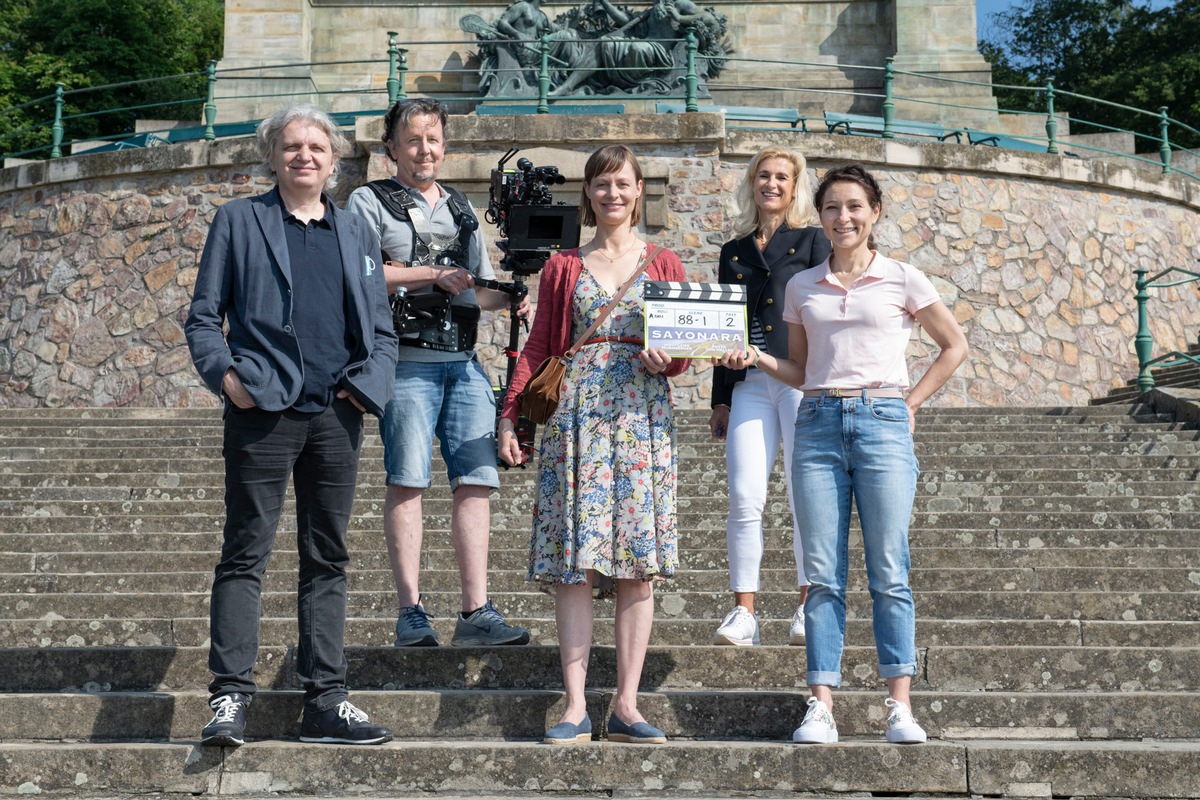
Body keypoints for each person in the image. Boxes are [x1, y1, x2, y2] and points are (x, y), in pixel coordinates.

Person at [720, 164, 967, 744]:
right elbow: (802, 371)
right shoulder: (804, 286)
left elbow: (953, 346)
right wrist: (756, 359)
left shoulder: (903, 277)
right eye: (832, 208)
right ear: (822, 216)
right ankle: (821, 704)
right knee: (823, 574)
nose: (843, 218)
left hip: (883, 420)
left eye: (854, 207)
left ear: (874, 212)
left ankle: (899, 705)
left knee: (889, 569)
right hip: (819, 423)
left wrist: (910, 402)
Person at [185, 104, 398, 747]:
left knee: (327, 557)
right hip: (263, 411)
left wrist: (367, 392)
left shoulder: (356, 231)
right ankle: (229, 698)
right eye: (292, 146)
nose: (305, 156)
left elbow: (380, 329)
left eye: (317, 147)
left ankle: (326, 701)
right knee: (246, 552)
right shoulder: (240, 221)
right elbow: (202, 318)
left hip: (337, 413)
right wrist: (226, 377)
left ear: (334, 160)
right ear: (273, 156)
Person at [497, 144, 689, 745]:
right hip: (575, 419)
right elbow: (537, 348)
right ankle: (576, 704)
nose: (613, 194)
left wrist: (671, 360)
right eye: (602, 184)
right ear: (589, 193)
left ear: (639, 192)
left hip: (641, 419)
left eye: (624, 184)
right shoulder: (562, 266)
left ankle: (628, 705)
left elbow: (683, 346)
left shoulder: (664, 262)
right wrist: (511, 416)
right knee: (575, 567)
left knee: (637, 568)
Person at [344, 98, 530, 649]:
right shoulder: (367, 200)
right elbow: (359, 274)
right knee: (407, 480)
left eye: (433, 140)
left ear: (445, 146)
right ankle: (412, 612)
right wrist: (434, 272)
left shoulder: (464, 208)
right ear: (391, 149)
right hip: (404, 364)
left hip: (464, 365)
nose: (424, 150)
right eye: (412, 140)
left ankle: (476, 611)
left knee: (476, 481)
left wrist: (513, 297)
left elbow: (476, 289)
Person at [710, 147, 831, 647]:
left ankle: (807, 605)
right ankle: (744, 612)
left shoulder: (813, 241)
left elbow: (822, 312)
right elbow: (724, 327)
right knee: (744, 497)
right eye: (764, 175)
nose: (772, 184)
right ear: (751, 183)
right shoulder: (734, 250)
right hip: (749, 385)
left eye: (782, 176)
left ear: (796, 185)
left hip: (799, 379)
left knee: (806, 497)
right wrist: (720, 396)